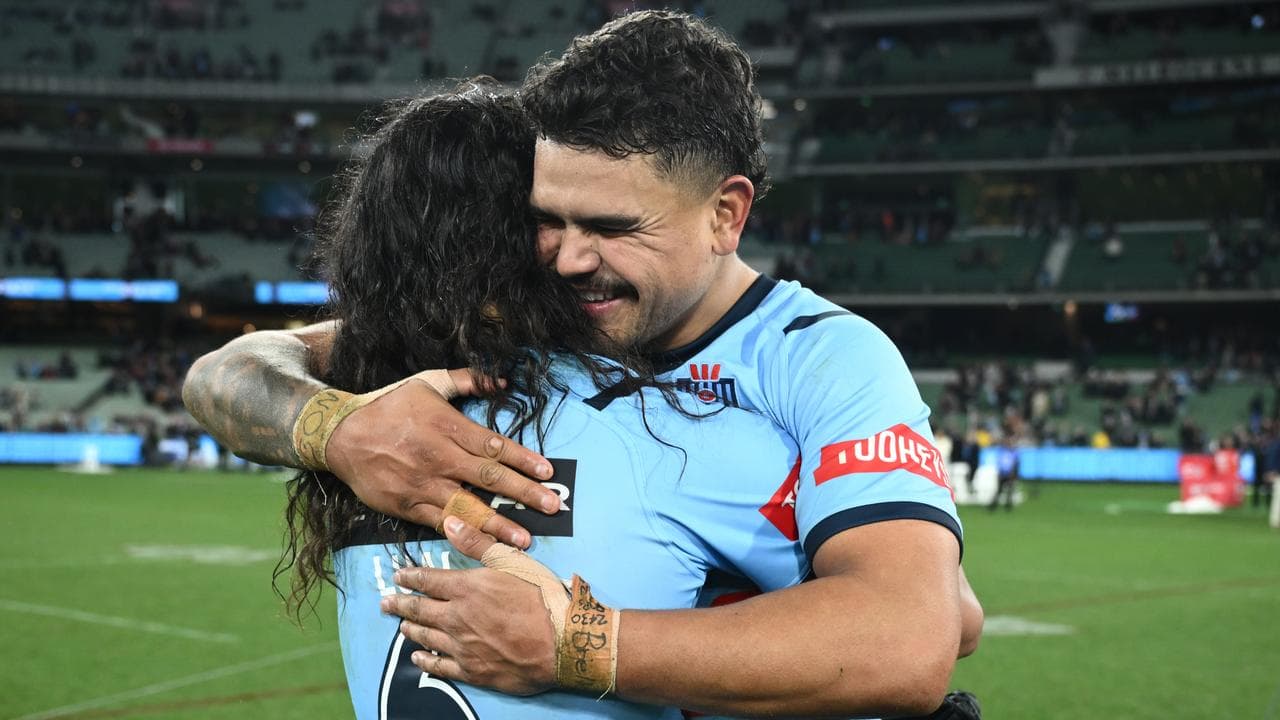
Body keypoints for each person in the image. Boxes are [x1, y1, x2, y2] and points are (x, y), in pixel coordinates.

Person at [183, 11, 979, 718]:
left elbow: (922, 631)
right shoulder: (506, 342)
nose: (567, 259)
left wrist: (579, 646)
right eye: (547, 220)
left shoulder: (822, 358)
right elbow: (228, 372)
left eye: (611, 225)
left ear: (724, 215)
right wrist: (338, 432)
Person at [285, 82, 851, 720]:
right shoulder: (678, 441)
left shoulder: (364, 442)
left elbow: (238, 372)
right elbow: (922, 625)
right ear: (526, 240)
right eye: (554, 219)